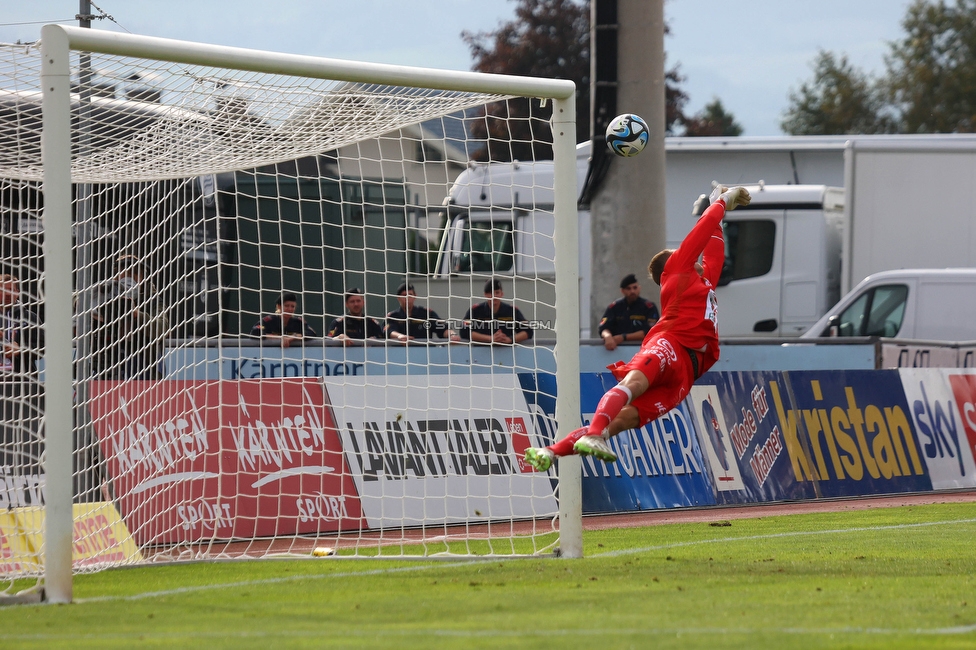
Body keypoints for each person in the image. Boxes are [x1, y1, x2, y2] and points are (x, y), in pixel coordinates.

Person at [524, 185, 752, 471]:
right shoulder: (677, 269)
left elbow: (714, 250)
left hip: (686, 374)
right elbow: (703, 229)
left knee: (623, 421)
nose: (692, 258)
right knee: (632, 385)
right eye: (682, 255)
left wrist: (720, 209)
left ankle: (551, 451)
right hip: (671, 343)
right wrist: (720, 202)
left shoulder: (702, 283)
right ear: (670, 266)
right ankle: (594, 433)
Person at [91, 254, 169, 380]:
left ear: (142, 277)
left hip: (144, 363)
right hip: (107, 361)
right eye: (124, 272)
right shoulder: (103, 293)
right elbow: (77, 299)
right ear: (116, 275)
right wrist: (96, 312)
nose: (129, 277)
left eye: (135, 272)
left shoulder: (153, 299)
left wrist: (136, 314)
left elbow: (163, 327)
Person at [599, 273, 660, 351]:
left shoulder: (648, 307)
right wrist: (607, 336)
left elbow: (650, 332)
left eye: (635, 288)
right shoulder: (615, 307)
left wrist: (623, 337)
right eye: (628, 288)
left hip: (642, 350)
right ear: (622, 291)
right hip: (617, 350)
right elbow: (604, 327)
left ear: (639, 288)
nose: (632, 291)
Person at [461, 279, 533, 344]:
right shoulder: (475, 310)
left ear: (502, 294)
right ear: (485, 295)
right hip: (480, 352)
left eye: (497, 292)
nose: (494, 296)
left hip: (506, 352)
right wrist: (490, 338)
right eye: (491, 293)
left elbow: (528, 331)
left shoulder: (512, 311)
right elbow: (464, 331)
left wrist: (511, 339)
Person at [384, 282, 461, 343]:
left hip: (426, 355)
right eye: (404, 295)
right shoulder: (393, 316)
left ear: (415, 296)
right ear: (398, 298)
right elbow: (388, 331)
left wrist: (452, 335)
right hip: (400, 355)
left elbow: (442, 327)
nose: (407, 298)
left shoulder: (426, 314)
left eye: (410, 295)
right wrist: (400, 336)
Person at [250, 292, 316, 348]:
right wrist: (279, 338)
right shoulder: (268, 321)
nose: (290, 309)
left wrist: (293, 337)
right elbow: (255, 331)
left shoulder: (298, 322)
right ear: (279, 306)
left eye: (292, 306)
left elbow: (311, 333)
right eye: (286, 306)